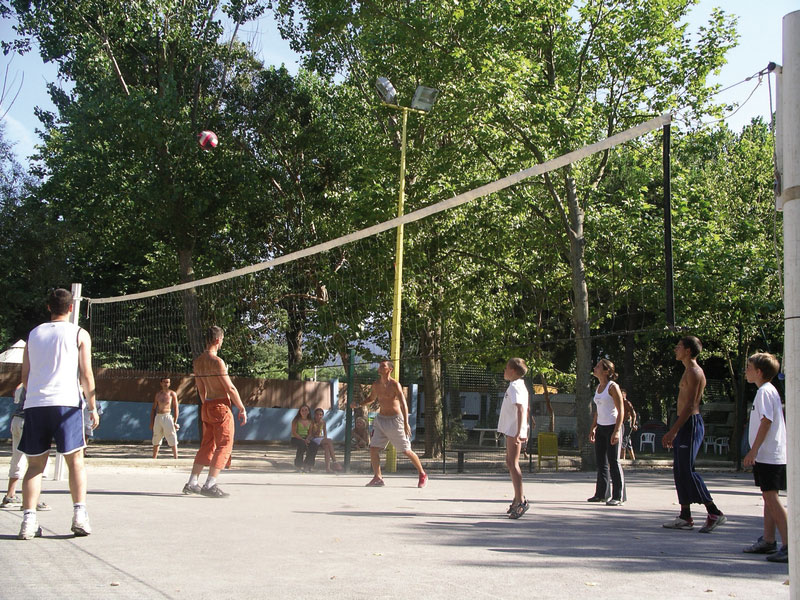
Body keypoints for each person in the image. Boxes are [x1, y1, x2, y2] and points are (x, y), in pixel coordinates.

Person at [17, 288, 99, 539]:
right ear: (71, 308)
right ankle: (79, 515)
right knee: (75, 462)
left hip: (36, 404)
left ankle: (28, 521)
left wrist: (33, 400)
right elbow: (86, 374)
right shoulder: (78, 333)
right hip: (66, 404)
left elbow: (25, 377)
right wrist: (93, 407)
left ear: (48, 307)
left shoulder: (34, 334)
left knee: (34, 466)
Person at [661, 336, 726, 532]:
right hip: (684, 424)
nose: (675, 349)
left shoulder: (695, 372)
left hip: (691, 424)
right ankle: (685, 516)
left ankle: (714, 512)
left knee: (688, 470)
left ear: (688, 350)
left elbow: (690, 406)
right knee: (679, 469)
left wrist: (673, 430)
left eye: (679, 346)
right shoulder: (687, 371)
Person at [183, 326, 247, 498]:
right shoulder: (217, 361)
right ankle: (210, 484)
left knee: (207, 445)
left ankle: (192, 482)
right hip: (220, 406)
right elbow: (230, 388)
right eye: (223, 340)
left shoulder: (198, 362)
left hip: (208, 405)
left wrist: (207, 406)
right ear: (218, 340)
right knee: (225, 444)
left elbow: (201, 389)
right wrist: (241, 407)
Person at [742, 353, 788, 563]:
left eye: (749, 367)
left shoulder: (764, 392)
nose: (746, 371)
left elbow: (766, 421)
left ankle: (790, 545)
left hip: (769, 455)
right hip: (767, 455)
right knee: (768, 497)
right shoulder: (766, 391)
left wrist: (753, 451)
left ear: (759, 372)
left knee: (772, 498)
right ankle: (769, 540)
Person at [353, 360, 427, 488]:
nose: (380, 368)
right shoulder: (376, 384)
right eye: (380, 366)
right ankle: (378, 477)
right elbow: (371, 399)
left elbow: (403, 404)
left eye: (383, 366)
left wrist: (406, 423)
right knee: (373, 449)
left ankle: (422, 474)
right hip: (381, 420)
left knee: (406, 451)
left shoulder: (395, 385)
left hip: (395, 420)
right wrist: (359, 404)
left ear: (389, 370)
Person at [2, 383, 50, 511]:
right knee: (35, 462)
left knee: (17, 458)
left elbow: (16, 396)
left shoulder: (25, 383)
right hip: (30, 421)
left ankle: (10, 494)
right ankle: (31, 500)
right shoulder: (42, 382)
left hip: (17, 419)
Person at [587, 359, 626, 506]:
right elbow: (598, 411)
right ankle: (601, 494)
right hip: (601, 428)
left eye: (598, 367)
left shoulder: (612, 387)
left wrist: (616, 431)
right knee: (601, 462)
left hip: (612, 427)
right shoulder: (598, 387)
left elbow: (621, 410)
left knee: (613, 462)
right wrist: (593, 427)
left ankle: (618, 496)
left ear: (606, 371)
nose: (595, 368)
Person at [497, 358, 530, 519]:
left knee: (514, 463)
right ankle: (517, 498)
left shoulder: (516, 386)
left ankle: (521, 501)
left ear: (513, 371)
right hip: (511, 429)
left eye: (506, 368)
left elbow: (522, 409)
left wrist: (520, 432)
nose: (504, 371)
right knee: (510, 462)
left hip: (514, 430)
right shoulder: (516, 386)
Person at [150, 377, 180, 459]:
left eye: (167, 382)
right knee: (156, 436)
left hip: (167, 416)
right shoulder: (158, 394)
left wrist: (175, 421)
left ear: (169, 383)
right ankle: (154, 457)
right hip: (158, 417)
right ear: (161, 383)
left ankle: (176, 457)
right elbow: (153, 408)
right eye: (164, 382)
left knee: (172, 436)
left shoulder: (172, 394)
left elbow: (176, 407)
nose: (165, 384)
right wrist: (152, 422)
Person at [307, 408, 341, 472]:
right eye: (317, 414)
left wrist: (322, 437)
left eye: (321, 415)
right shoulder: (312, 422)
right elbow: (310, 434)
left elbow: (325, 434)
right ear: (314, 415)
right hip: (313, 439)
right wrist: (315, 435)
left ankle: (327, 468)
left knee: (327, 447)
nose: (319, 416)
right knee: (329, 440)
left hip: (320, 438)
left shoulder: (323, 422)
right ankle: (335, 461)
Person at [290, 404, 314, 471]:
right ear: (300, 412)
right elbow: (294, 432)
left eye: (306, 410)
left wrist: (307, 439)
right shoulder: (295, 420)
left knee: (313, 445)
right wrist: (303, 440)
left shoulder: (310, 421)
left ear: (308, 411)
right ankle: (298, 465)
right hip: (296, 438)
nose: (304, 412)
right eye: (302, 410)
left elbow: (310, 433)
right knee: (302, 444)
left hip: (306, 438)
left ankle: (308, 464)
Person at [621, 389, 638, 461]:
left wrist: (633, 424)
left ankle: (622, 459)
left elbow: (633, 414)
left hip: (628, 423)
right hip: (622, 423)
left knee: (623, 440)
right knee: (628, 442)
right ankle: (633, 459)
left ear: (624, 395)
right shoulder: (619, 402)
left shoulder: (627, 403)